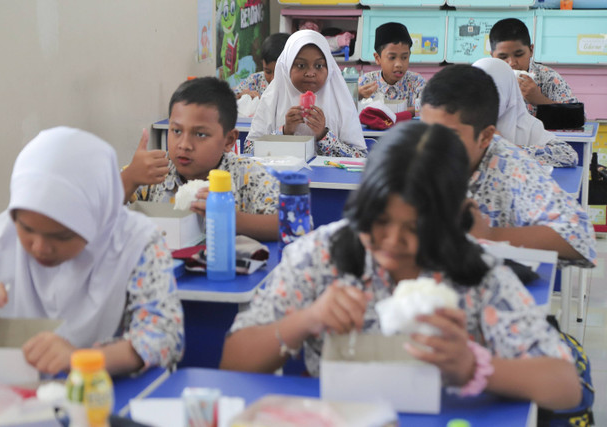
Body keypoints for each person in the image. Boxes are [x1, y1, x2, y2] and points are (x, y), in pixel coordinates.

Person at [221, 121, 581, 411]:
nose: (393, 241)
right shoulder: (321, 256)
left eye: (416, 228)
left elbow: (565, 385)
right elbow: (233, 364)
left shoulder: (474, 272)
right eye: (379, 221)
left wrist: (473, 368)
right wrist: (307, 319)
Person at [0, 127, 184, 375]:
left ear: (97, 219)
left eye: (61, 236)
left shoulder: (136, 244)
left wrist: (80, 359)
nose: (39, 247)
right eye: (26, 228)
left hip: (102, 397)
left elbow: (165, 337)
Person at [419, 65, 595, 268]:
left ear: (486, 136)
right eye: (427, 130)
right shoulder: (414, 154)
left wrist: (490, 235)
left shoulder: (508, 164)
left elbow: (580, 238)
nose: (434, 145)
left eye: (449, 134)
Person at [122, 77, 280, 241]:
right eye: (176, 131)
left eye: (200, 134)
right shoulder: (152, 172)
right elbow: (98, 214)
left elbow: (289, 223)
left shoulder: (246, 175)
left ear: (229, 140)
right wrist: (129, 179)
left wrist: (231, 219)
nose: (184, 145)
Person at [245, 30, 367, 158]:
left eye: (319, 66)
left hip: (327, 177)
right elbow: (249, 151)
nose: (310, 73)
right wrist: (285, 132)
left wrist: (323, 135)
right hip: (280, 176)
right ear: (287, 67)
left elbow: (360, 157)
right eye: (301, 65)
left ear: (329, 68)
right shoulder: (272, 98)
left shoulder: (340, 101)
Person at [473, 57, 578, 167]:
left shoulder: (525, 124)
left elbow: (569, 155)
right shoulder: (461, 121)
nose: (485, 100)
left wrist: (510, 149)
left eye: (495, 92)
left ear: (509, 92)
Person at [489, 18, 579, 117]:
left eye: (519, 54)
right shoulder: (487, 80)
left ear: (531, 50)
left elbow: (579, 117)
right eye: (503, 57)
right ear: (492, 56)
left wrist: (538, 99)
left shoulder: (549, 78)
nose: (512, 63)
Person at [358, 22, 426, 115]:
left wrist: (389, 113)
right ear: (378, 58)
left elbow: (425, 109)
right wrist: (358, 96)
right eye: (392, 57)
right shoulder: (365, 82)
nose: (399, 64)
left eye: (404, 57)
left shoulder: (417, 82)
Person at [234, 33, 290, 99]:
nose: (273, 79)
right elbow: (230, 97)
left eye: (278, 72)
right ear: (262, 63)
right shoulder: (255, 80)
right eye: (268, 72)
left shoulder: (297, 86)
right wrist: (241, 95)